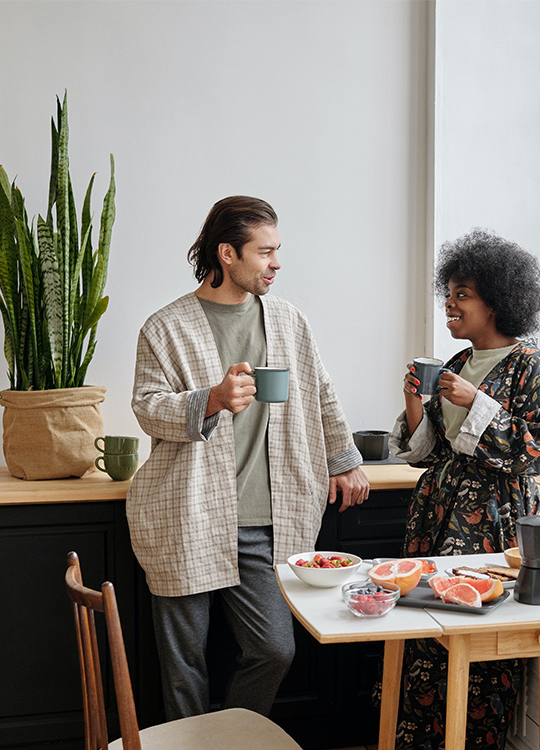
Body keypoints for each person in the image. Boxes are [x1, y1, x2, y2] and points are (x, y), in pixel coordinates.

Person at [127, 195, 370, 720]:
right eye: (265, 252)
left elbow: (321, 392)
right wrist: (211, 400)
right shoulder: (165, 327)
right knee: (184, 665)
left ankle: (229, 736)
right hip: (187, 515)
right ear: (227, 254)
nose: (277, 263)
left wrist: (343, 458)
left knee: (275, 648)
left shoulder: (288, 322)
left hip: (265, 520)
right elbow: (147, 408)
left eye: (277, 250)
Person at [389, 229, 540, 749]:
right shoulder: (456, 365)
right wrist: (418, 405)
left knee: (477, 637)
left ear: (498, 302)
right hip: (438, 511)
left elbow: (537, 453)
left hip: (493, 518)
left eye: (461, 294)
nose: (449, 302)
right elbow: (432, 451)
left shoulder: (534, 368)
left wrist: (475, 402)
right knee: (425, 630)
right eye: (448, 292)